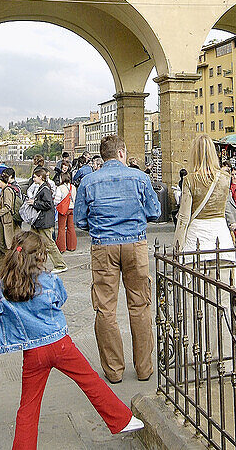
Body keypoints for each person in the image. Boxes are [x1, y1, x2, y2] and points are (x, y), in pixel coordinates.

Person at [0, 231, 142, 448]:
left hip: (33, 353)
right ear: (40, 256)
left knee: (28, 407)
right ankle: (122, 420)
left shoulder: (3, 287)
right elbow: (61, 299)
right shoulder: (50, 280)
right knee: (91, 382)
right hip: (60, 344)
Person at [76, 135, 160, 384]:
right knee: (140, 304)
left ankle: (114, 370)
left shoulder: (88, 181)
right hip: (135, 244)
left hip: (104, 246)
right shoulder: (140, 177)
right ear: (122, 153)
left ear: (103, 156)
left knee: (105, 308)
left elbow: (80, 220)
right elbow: (155, 212)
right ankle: (144, 368)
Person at [176, 134, 233, 258]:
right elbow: (227, 206)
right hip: (221, 235)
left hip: (197, 235)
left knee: (196, 275)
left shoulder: (190, 180)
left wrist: (178, 246)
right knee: (222, 275)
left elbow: (183, 218)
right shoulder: (226, 178)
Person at [27, 167, 67, 273]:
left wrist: (34, 203)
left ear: (40, 177)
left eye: (35, 177)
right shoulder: (43, 187)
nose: (33, 179)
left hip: (44, 221)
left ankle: (60, 265)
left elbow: (48, 204)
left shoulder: (44, 189)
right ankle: (32, 263)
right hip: (41, 221)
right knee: (34, 241)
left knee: (49, 243)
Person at [0, 169, 21, 273]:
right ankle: (0, 266)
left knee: (5, 245)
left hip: (7, 222)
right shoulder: (4, 190)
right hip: (3, 221)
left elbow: (7, 207)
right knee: (0, 244)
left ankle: (11, 265)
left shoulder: (7, 191)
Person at [54, 171, 77, 253]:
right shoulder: (73, 187)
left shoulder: (60, 188)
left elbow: (57, 200)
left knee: (62, 228)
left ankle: (61, 247)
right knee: (71, 227)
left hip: (64, 209)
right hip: (72, 208)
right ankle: (72, 246)